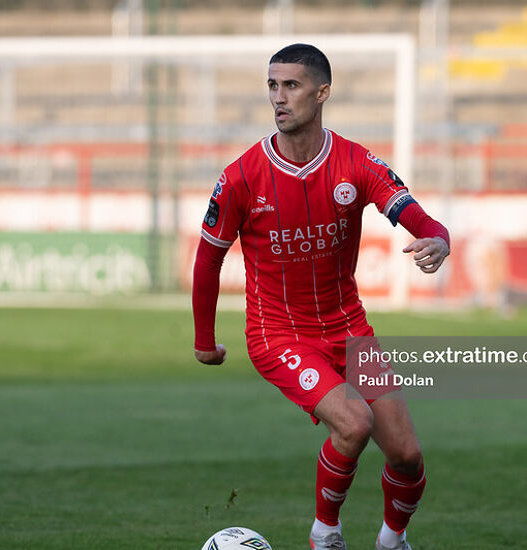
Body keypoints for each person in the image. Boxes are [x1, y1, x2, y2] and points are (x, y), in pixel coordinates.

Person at [192, 43, 450, 550]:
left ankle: (392, 542)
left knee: (408, 455)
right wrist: (205, 340)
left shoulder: (354, 162)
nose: (278, 97)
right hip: (278, 333)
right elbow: (208, 259)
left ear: (322, 92)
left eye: (291, 85)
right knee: (354, 423)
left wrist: (437, 235)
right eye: (272, 85)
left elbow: (410, 210)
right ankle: (324, 535)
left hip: (349, 328)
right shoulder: (242, 176)